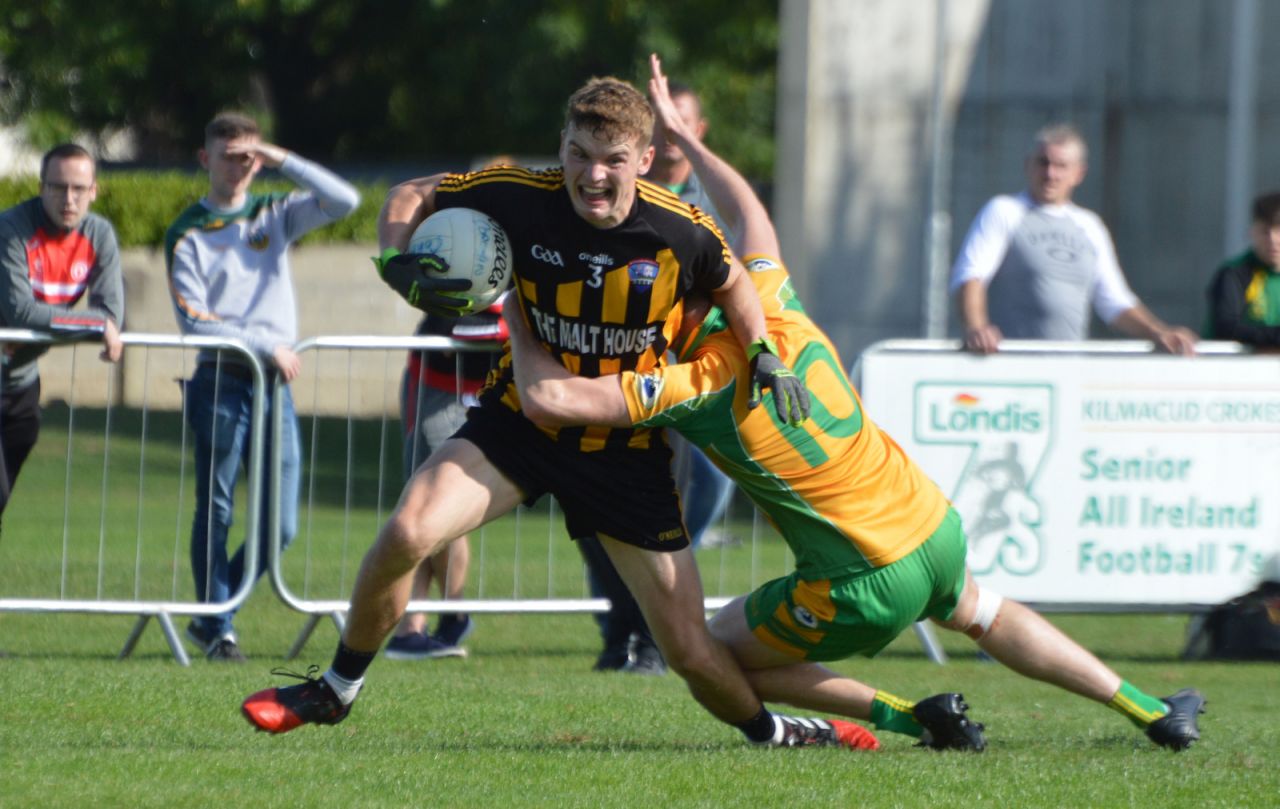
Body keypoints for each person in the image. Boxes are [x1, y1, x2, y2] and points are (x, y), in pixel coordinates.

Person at [500, 56, 1206, 752]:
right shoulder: (773, 304)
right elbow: (751, 217)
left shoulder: (694, 381)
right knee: (982, 610)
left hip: (863, 578)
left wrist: (518, 307)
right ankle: (1150, 709)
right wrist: (687, 141)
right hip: (930, 523)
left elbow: (550, 398)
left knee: (710, 650)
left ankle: (909, 715)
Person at [241, 71, 868, 751]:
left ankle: (777, 731)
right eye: (578, 154)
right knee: (407, 531)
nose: (592, 174)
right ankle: (334, 688)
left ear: (645, 159)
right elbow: (412, 192)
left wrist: (765, 353)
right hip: (520, 425)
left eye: (612, 159)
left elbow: (735, 280)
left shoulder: (678, 227)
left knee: (688, 648)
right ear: (560, 148)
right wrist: (397, 254)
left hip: (623, 450)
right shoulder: (520, 196)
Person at [166, 112, 360, 662]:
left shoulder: (272, 213)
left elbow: (345, 201)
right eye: (227, 155)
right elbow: (194, 320)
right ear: (206, 159)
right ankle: (218, 624)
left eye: (247, 156)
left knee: (283, 526)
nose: (238, 166)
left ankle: (212, 611)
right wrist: (259, 344)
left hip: (274, 387)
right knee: (218, 510)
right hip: (222, 381)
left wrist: (282, 158)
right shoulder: (188, 231)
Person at [581, 80, 736, 676]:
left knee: (689, 507)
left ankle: (651, 627)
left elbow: (738, 275)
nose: (673, 136)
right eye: (663, 125)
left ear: (698, 133)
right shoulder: (614, 189)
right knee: (597, 513)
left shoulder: (710, 200)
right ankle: (625, 632)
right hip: (618, 376)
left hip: (689, 378)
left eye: (682, 123)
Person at [951, 123, 1198, 356]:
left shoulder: (1089, 226)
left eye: (1061, 166)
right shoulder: (1004, 211)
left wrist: (1157, 331)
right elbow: (971, 275)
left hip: (1067, 372)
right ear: (1028, 165)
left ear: (1078, 173)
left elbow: (1113, 301)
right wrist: (977, 328)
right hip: (1012, 367)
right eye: (1043, 163)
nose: (1050, 174)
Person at [0, 143, 124, 534]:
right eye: (57, 187)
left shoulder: (99, 234)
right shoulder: (12, 228)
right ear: (41, 187)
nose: (67, 199)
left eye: (78, 189)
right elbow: (20, 311)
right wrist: (94, 325)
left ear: (94, 191)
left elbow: (111, 315)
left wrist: (100, 324)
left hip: (21, 385)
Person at [384, 294, 507, 660]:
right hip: (437, 382)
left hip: (491, 382)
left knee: (438, 509)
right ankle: (421, 623)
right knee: (425, 505)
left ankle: (439, 617)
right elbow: (438, 316)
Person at [1203, 190, 1280, 347]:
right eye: (1265, 231)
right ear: (1252, 232)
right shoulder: (1235, 273)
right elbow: (1225, 328)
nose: (1273, 240)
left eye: (1279, 230)